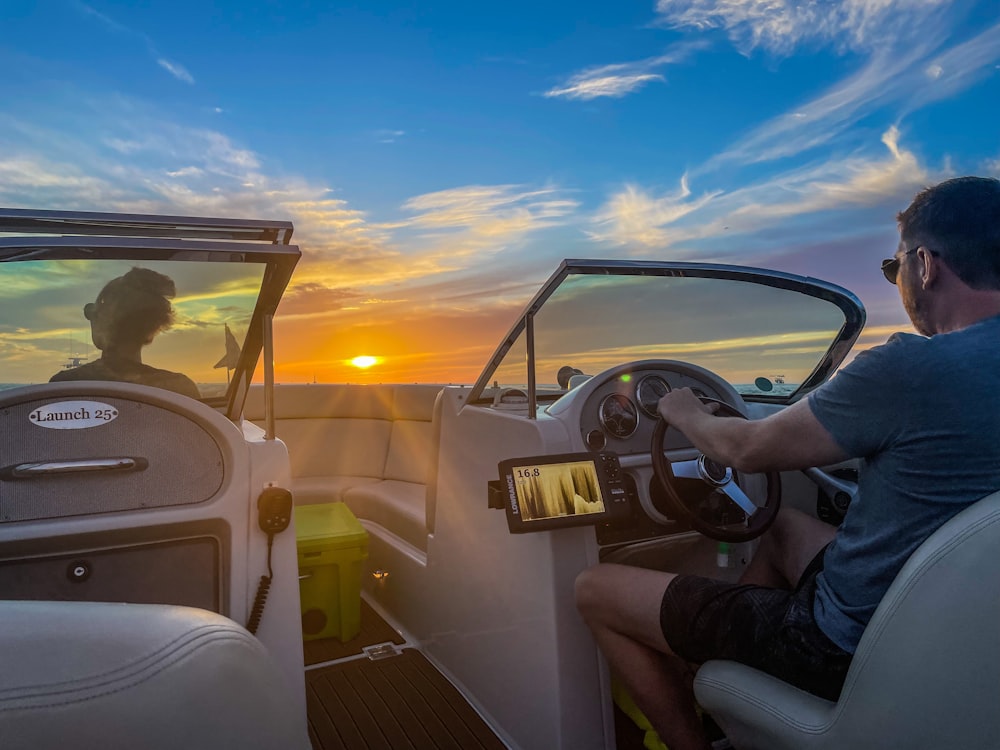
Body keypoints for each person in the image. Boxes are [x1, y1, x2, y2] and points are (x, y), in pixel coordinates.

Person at [575, 176, 1000, 750]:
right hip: (962, 634)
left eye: (891, 266)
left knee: (593, 588)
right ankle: (726, 673)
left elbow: (746, 449)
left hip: (844, 643)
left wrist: (681, 412)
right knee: (777, 525)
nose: (897, 279)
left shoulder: (908, 369)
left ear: (925, 264)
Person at [51, 267, 200, 400]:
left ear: (101, 320)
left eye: (93, 314)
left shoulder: (65, 386)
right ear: (153, 330)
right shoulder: (180, 389)